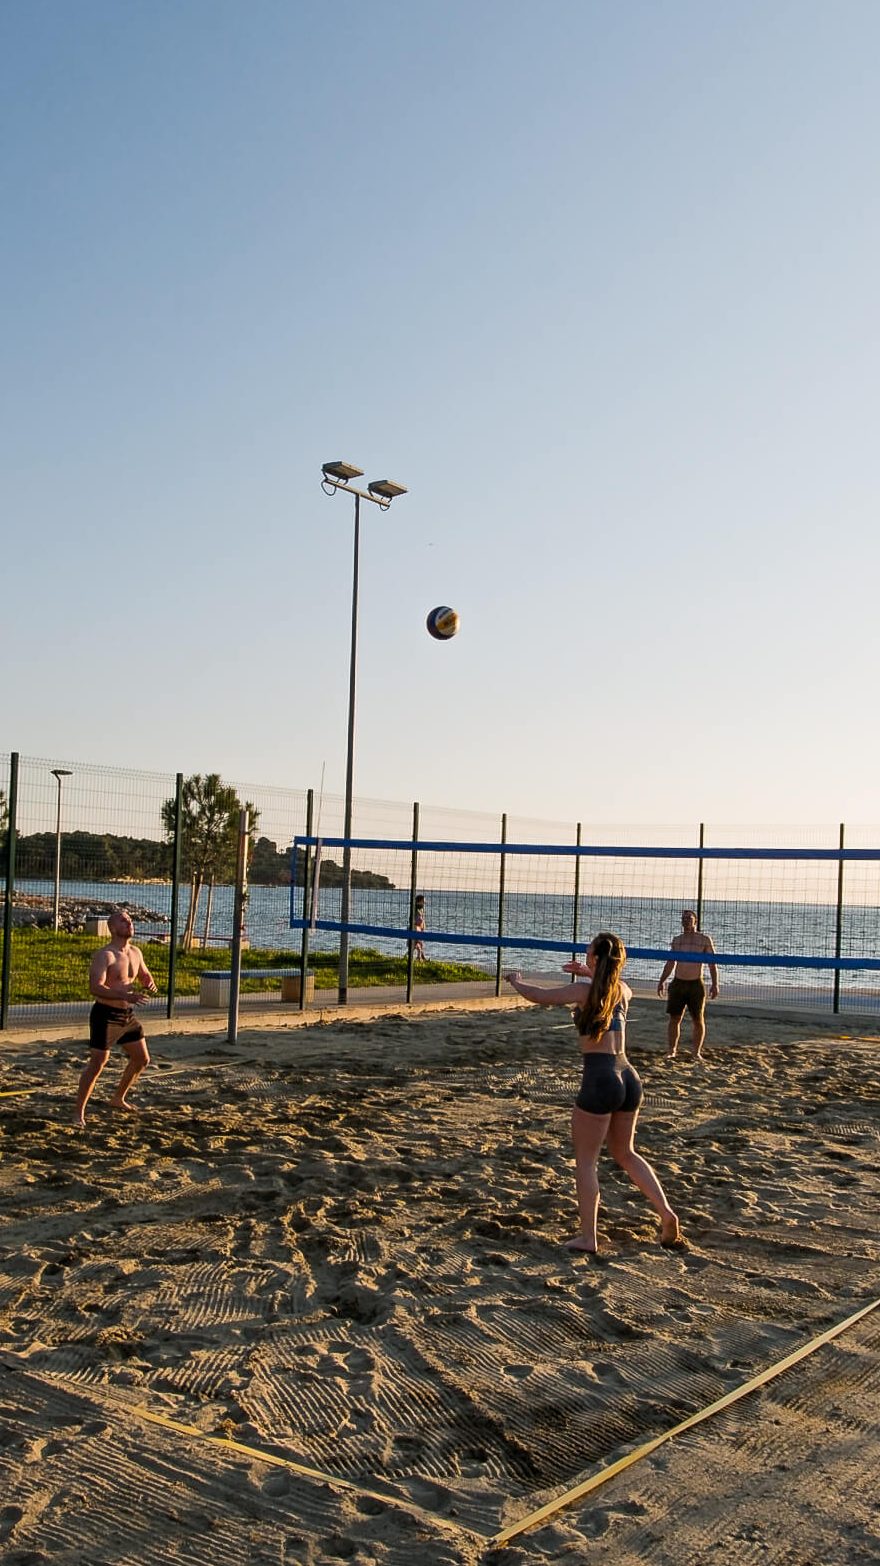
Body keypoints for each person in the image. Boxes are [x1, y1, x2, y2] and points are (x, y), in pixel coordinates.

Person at [506, 933, 681, 1254]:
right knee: (626, 1153)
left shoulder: (582, 992)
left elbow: (539, 996)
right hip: (628, 1076)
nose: (586, 952)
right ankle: (667, 1213)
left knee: (586, 1161)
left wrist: (516, 981)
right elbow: (612, 985)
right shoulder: (622, 991)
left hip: (600, 1077)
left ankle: (589, 1238)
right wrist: (590, 972)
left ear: (597, 959)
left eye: (589, 951)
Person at [73, 909, 158, 1127]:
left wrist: (148, 981)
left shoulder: (136, 952)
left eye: (130, 920)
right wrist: (124, 995)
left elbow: (143, 974)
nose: (129, 922)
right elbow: (95, 987)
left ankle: (118, 1098)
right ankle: (78, 1113)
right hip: (105, 1015)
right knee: (97, 1064)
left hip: (127, 1016)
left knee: (142, 1059)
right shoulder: (106, 955)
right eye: (123, 920)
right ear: (112, 928)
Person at [657, 909, 719, 1060]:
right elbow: (670, 962)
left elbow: (712, 964)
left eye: (689, 918)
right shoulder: (677, 940)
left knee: (698, 1019)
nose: (686, 921)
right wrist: (662, 980)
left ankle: (696, 1052)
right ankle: (672, 1051)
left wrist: (715, 984)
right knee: (674, 1018)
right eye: (683, 918)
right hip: (678, 983)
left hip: (695, 984)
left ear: (695, 921)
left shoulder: (704, 939)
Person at [412, 895, 426, 962]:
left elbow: (422, 921)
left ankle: (421, 957)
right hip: (416, 929)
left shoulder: (421, 910)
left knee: (419, 944)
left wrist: (423, 927)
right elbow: (415, 921)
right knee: (418, 944)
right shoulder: (415, 911)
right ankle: (420, 957)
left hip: (419, 929)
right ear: (418, 902)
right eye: (423, 902)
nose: (424, 903)